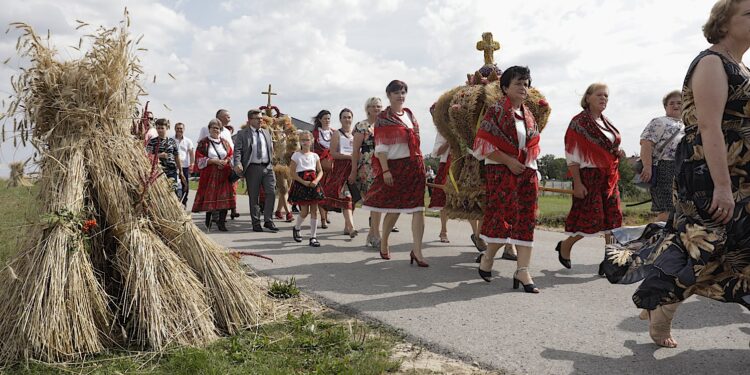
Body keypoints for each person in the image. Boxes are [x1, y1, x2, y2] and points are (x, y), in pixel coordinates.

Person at [606, 0, 750, 348]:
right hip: (712, 176)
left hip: (741, 176)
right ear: (725, 22)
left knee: (730, 249)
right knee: (703, 246)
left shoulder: (740, 67)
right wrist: (722, 187)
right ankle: (662, 304)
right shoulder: (712, 63)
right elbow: (709, 128)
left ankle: (662, 304)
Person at [471, 66, 541, 293]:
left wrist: (532, 170)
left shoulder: (529, 116)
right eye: (519, 83)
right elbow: (482, 146)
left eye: (526, 84)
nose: (524, 87)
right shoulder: (495, 112)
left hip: (526, 175)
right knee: (502, 221)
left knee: (526, 221)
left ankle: (523, 270)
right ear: (505, 88)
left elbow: (532, 147)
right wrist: (509, 161)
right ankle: (488, 258)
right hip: (502, 174)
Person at [556, 83, 624, 269]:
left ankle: (610, 260)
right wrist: (577, 183)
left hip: (609, 176)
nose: (604, 98)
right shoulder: (578, 123)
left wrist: (617, 152)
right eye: (599, 95)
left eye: (606, 96)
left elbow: (607, 147)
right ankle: (565, 246)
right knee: (591, 220)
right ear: (588, 98)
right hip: (589, 177)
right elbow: (572, 156)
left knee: (613, 219)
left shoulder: (606, 122)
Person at [362, 80, 428, 267]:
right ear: (389, 95)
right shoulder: (383, 118)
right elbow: (380, 148)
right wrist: (385, 170)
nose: (400, 95)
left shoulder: (409, 114)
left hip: (415, 166)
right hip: (394, 167)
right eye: (396, 92)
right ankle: (384, 241)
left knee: (418, 209)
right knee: (394, 209)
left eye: (403, 92)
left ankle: (417, 250)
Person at [638, 91, 684, 222]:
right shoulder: (659, 122)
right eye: (672, 103)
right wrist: (647, 166)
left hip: (682, 168)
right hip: (664, 167)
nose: (676, 105)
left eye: (679, 103)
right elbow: (646, 143)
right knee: (667, 209)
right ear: (665, 107)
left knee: (680, 209)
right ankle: (657, 240)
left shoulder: (688, 124)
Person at [233, 109, 278, 233]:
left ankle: (268, 220)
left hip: (267, 167)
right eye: (257, 118)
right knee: (254, 196)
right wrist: (237, 163)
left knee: (271, 192)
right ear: (250, 120)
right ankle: (256, 222)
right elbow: (237, 150)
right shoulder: (242, 134)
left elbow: (270, 149)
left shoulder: (267, 132)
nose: (260, 120)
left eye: (261, 118)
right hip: (252, 168)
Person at [350, 97, 384, 248]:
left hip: (382, 165)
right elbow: (355, 151)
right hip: (367, 166)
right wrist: (352, 171)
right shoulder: (361, 126)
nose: (377, 109)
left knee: (379, 201)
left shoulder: (384, 125)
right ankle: (375, 234)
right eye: (374, 106)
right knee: (374, 200)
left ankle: (372, 233)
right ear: (368, 108)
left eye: (379, 106)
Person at [192, 119, 235, 231]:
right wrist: (213, 161)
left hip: (224, 174)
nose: (215, 130)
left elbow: (230, 154)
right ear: (209, 129)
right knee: (210, 197)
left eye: (217, 128)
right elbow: (199, 157)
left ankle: (221, 223)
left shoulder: (225, 142)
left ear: (220, 130)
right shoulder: (203, 143)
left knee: (224, 198)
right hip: (210, 175)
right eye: (213, 127)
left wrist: (226, 161)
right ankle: (208, 221)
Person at [288, 130, 326, 247]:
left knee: (314, 210)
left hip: (313, 184)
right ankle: (297, 227)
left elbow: (320, 171)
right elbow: (292, 173)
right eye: (303, 140)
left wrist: (316, 181)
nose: (305, 142)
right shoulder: (296, 155)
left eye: (307, 140)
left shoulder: (315, 156)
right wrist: (303, 182)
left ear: (312, 141)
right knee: (304, 212)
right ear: (300, 141)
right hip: (302, 184)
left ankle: (313, 237)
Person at [325, 108, 357, 237]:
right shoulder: (337, 134)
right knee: (346, 197)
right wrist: (348, 156)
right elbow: (333, 153)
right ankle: (352, 227)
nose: (347, 119)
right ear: (340, 119)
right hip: (341, 169)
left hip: (354, 168)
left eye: (349, 117)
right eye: (344, 117)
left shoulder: (355, 135)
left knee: (353, 198)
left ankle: (347, 227)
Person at [145, 118, 187, 199]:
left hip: (172, 172)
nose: (159, 130)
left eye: (162, 128)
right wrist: (159, 155)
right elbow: (147, 156)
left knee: (173, 194)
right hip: (158, 173)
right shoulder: (152, 142)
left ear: (167, 128)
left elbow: (176, 156)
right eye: (158, 128)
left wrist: (181, 172)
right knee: (160, 196)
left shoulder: (172, 141)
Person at [428, 131, 451, 243]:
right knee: (444, 200)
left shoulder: (465, 125)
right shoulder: (443, 129)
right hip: (448, 164)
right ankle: (443, 231)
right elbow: (436, 153)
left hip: (465, 164)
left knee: (470, 198)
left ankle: (477, 235)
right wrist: (449, 141)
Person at [312, 110, 333, 228]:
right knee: (321, 191)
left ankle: (326, 213)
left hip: (333, 165)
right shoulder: (315, 134)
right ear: (320, 120)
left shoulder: (333, 133)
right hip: (319, 165)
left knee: (329, 191)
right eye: (325, 118)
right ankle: (323, 218)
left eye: (329, 118)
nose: (327, 120)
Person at [174, 122, 195, 207]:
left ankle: (184, 202)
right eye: (177, 128)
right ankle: (175, 203)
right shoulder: (171, 140)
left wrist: (192, 164)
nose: (179, 130)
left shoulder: (188, 141)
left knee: (185, 185)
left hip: (185, 166)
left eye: (181, 128)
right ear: (175, 129)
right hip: (174, 166)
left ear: (184, 129)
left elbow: (191, 154)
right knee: (174, 185)